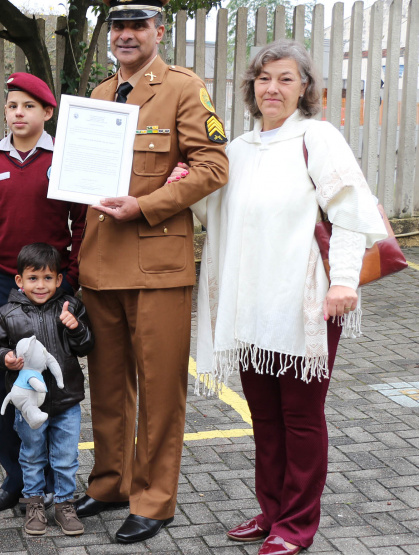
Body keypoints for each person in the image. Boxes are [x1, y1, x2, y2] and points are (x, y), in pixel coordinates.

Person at [193, 40, 388, 555]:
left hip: (305, 301)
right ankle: (273, 511)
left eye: (285, 78)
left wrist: (344, 281)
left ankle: (297, 525)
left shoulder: (317, 137)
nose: (272, 88)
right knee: (265, 418)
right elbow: (217, 214)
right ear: (251, 87)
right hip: (250, 303)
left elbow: (350, 210)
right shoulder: (238, 148)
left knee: (300, 418)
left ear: (304, 87)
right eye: (264, 78)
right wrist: (185, 186)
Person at [74, 0, 229, 543]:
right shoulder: (98, 96)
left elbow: (213, 167)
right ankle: (111, 483)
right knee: (107, 389)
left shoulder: (183, 88)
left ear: (158, 31)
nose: (126, 34)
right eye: (118, 26)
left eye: (137, 26)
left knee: (161, 391)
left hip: (157, 266)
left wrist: (146, 205)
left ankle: (154, 499)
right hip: (100, 264)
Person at [0, 72, 87, 512]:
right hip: (6, 284)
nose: (18, 113)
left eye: (29, 106)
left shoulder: (64, 157)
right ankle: (16, 480)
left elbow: (82, 222)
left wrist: (70, 280)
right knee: (12, 383)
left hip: (53, 285)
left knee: (54, 381)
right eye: (12, 106)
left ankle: (56, 482)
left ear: (48, 112)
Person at [0, 243, 94, 536]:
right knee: (32, 455)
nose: (41, 285)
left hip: (66, 400)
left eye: (48, 278)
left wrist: (76, 328)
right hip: (29, 405)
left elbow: (86, 346)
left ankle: (64, 504)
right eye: (33, 278)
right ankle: (33, 502)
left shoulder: (70, 307)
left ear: (59, 279)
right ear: (19, 280)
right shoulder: (7, 313)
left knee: (66, 457)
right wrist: (6, 358)